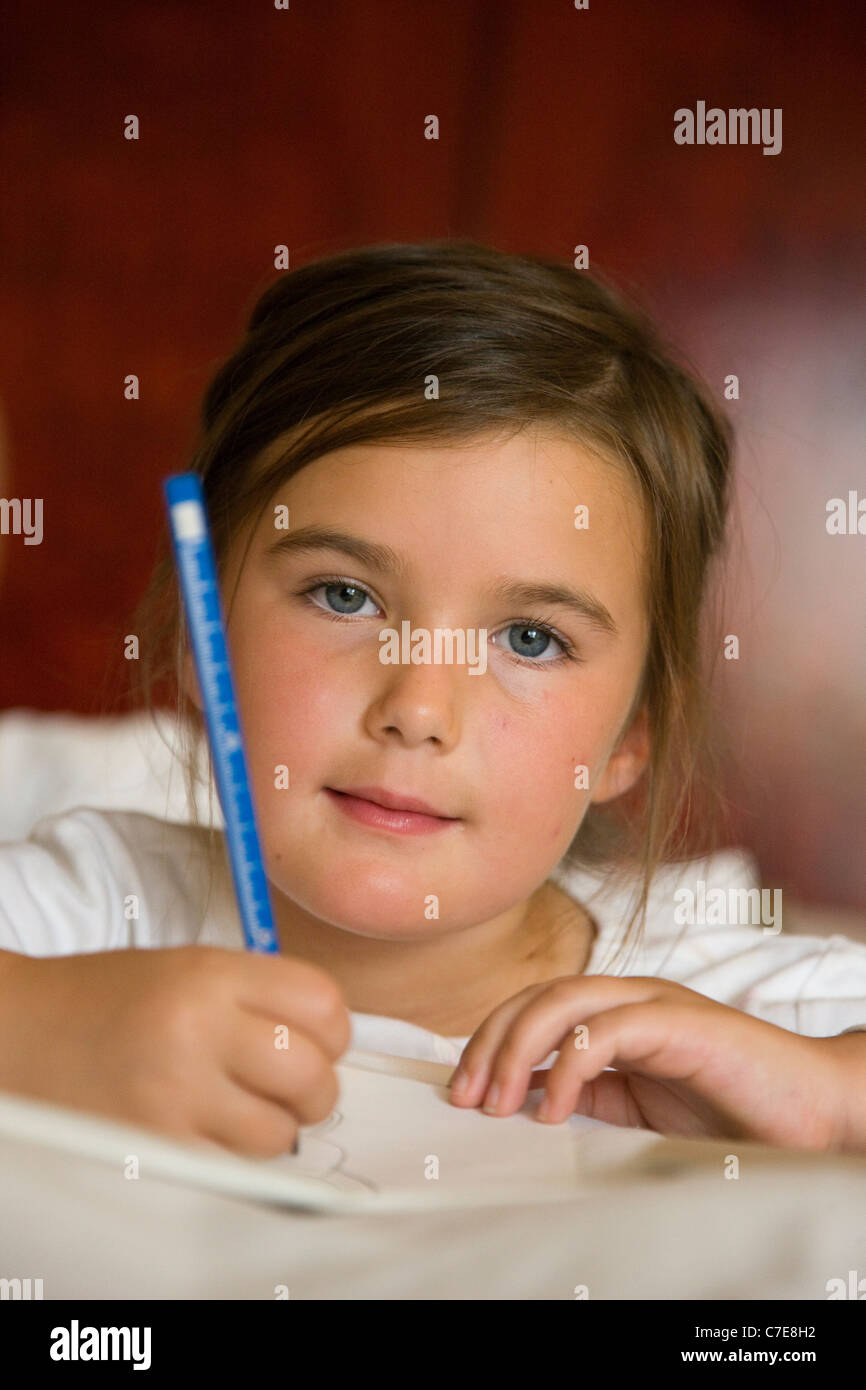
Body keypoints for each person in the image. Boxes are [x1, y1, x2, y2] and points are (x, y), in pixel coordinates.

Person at [0, 241, 864, 1159]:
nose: (418, 708)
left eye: (530, 639)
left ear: (630, 735)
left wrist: (830, 1098)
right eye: (344, 596)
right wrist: (42, 1030)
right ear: (199, 629)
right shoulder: (90, 914)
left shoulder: (730, 1000)